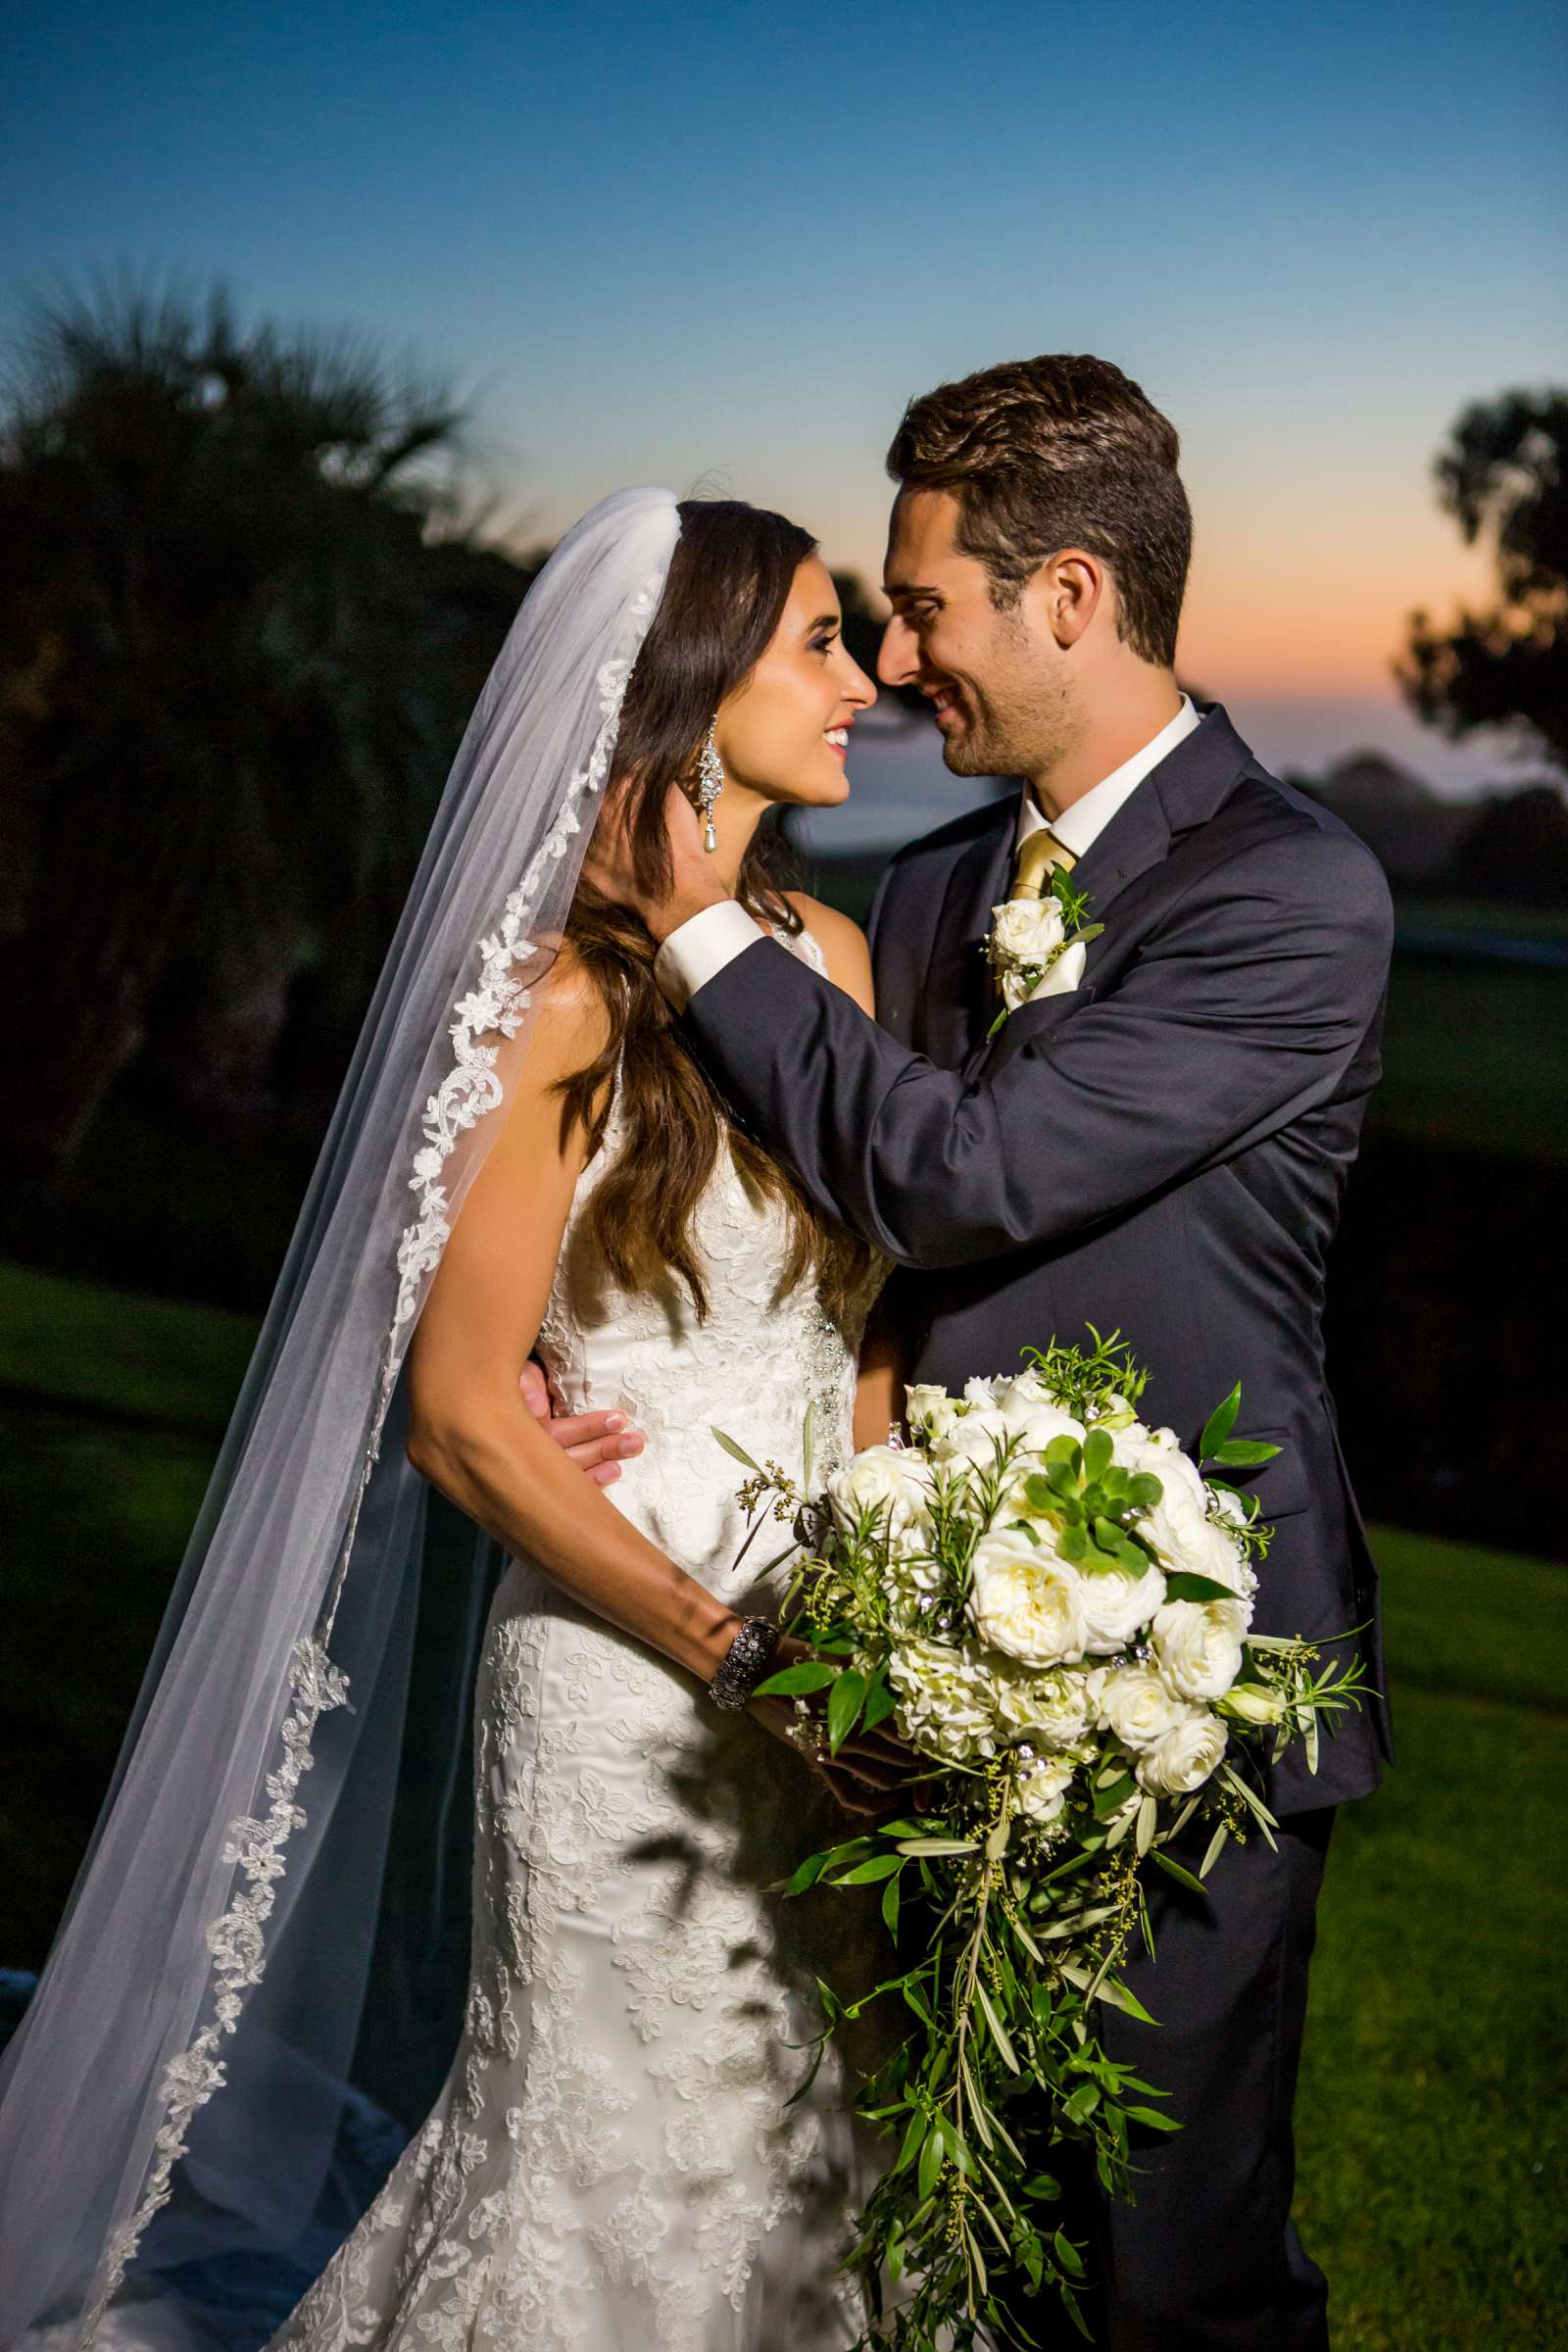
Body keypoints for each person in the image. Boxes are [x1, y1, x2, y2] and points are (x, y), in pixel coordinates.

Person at [0, 491, 905, 2352]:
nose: (865, 679)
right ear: (691, 675)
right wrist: (739, 1655)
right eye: (820, 640)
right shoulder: (556, 1003)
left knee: (827, 2174)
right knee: (606, 2191)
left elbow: (863, 1321)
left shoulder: (839, 957)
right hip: (623, 1683)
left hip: (846, 1672)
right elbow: (461, 1420)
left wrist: (897, 1619)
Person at [581, 354, 1397, 2352]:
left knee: (1160, 2266)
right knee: (946, 2253)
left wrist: (700, 936)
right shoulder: (937, 884)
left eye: (918, 605)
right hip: (922, 1660)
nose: (887, 652)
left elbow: (953, 1177)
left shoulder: (1288, 895)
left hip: (1180, 1676)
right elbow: (821, 1215)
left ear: (1068, 601)